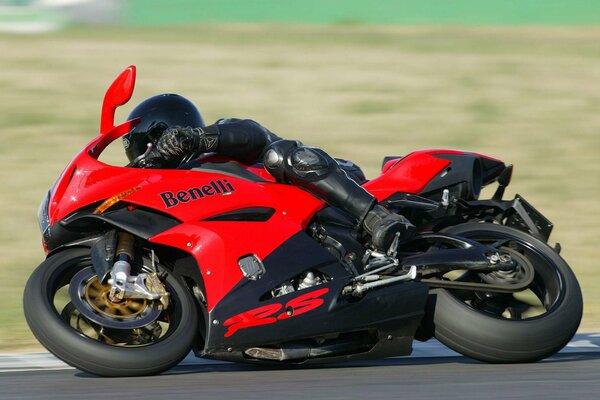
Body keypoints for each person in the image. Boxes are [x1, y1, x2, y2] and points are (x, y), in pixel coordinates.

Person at [123, 94, 414, 251]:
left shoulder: (216, 143)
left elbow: (253, 134)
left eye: (150, 148)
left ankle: (378, 217)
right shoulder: (184, 187)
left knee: (282, 155)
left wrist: (194, 138)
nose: (150, 157)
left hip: (332, 195)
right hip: (289, 236)